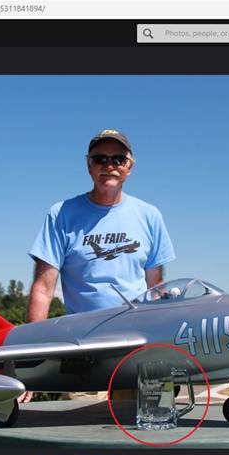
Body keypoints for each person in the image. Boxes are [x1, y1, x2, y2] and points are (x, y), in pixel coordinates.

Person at [20, 129, 176, 402]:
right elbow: (43, 289)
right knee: (85, 439)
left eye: (118, 159)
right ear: (88, 164)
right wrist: (30, 362)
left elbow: (157, 290)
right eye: (100, 158)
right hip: (83, 353)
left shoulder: (150, 216)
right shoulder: (62, 214)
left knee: (144, 437)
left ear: (130, 166)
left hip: (138, 351)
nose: (109, 166)